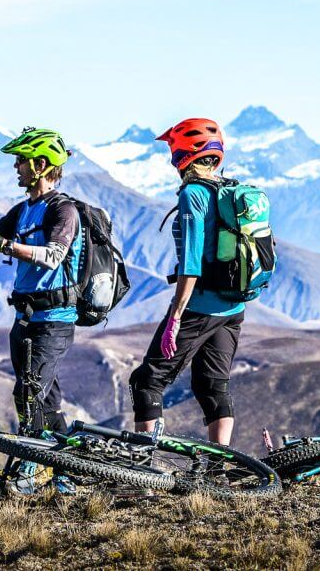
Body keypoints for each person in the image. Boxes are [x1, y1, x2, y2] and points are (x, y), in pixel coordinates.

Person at [0, 127, 81, 495]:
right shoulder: (22, 210)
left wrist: (9, 246)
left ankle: (26, 475)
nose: (16, 167)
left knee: (29, 394)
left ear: (40, 165)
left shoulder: (63, 210)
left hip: (54, 321)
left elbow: (54, 256)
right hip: (24, 318)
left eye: (21, 161)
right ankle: (69, 471)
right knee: (46, 400)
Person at [129, 118, 245, 445]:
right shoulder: (229, 189)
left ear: (182, 155)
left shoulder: (194, 193)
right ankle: (218, 468)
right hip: (233, 306)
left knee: (147, 381)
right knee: (213, 385)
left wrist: (175, 319)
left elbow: (191, 265)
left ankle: (144, 469)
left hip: (200, 305)